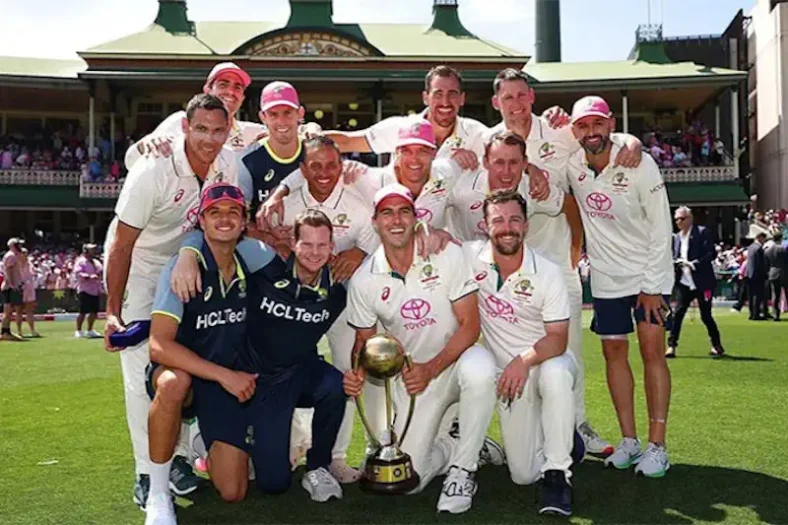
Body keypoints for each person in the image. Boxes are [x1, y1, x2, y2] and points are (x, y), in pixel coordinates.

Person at [487, 67, 650, 456]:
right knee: (506, 353)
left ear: (532, 97)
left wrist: (632, 140)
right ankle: (507, 433)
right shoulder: (487, 139)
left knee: (568, 353)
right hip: (507, 267)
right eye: (506, 98)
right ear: (496, 103)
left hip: (557, 263)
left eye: (521, 95)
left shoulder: (559, 132)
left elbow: (599, 137)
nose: (515, 104)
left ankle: (577, 427)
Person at [103, 93, 241, 509]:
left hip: (189, 266)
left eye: (219, 130)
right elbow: (122, 244)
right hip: (142, 269)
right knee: (143, 372)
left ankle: (176, 458)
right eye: (202, 129)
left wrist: (188, 256)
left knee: (181, 366)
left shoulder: (228, 163)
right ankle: (147, 472)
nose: (210, 139)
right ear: (185, 127)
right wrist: (112, 311)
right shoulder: (153, 169)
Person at [343, 184, 500, 514]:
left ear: (416, 218)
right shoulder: (364, 279)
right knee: (407, 481)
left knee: (481, 367)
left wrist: (432, 368)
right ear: (375, 221)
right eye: (387, 213)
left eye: (404, 211)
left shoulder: (447, 254)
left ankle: (463, 469)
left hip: (454, 364)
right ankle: (460, 443)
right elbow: (364, 344)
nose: (396, 220)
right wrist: (355, 375)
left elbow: (470, 325)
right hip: (412, 380)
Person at [566, 95, 674, 477]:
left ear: (610, 124)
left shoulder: (639, 162)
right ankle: (629, 441)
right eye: (584, 125)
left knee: (652, 353)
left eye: (598, 124)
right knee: (614, 354)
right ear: (574, 129)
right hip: (607, 279)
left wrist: (652, 285)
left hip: (648, 276)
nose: (591, 132)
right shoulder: (572, 164)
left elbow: (663, 226)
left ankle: (657, 446)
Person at [144, 183, 263, 525]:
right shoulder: (179, 268)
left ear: (244, 221)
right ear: (201, 221)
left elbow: (297, 257)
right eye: (215, 212)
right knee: (172, 382)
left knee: (233, 492)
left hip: (224, 380)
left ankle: (201, 444)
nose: (224, 220)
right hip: (193, 374)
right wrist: (223, 375)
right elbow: (159, 345)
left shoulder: (252, 257)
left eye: (233, 212)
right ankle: (158, 492)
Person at [462, 190, 579, 517]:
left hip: (545, 362)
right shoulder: (469, 258)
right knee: (523, 474)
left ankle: (558, 475)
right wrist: (429, 233)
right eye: (498, 220)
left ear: (526, 225)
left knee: (556, 374)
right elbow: (434, 246)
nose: (507, 227)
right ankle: (563, 435)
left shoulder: (548, 270)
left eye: (514, 219)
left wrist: (523, 360)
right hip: (511, 381)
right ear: (485, 226)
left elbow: (557, 339)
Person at [324, 65, 488, 170]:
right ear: (425, 97)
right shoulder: (402, 127)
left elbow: (509, 154)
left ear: (462, 98)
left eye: (452, 94)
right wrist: (305, 136)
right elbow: (347, 141)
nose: (445, 102)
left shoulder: (476, 133)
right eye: (438, 94)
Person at [125, 62, 264, 169]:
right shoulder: (180, 121)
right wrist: (144, 145)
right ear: (207, 90)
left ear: (242, 97)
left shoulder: (251, 132)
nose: (230, 92)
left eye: (237, 87)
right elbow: (130, 162)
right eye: (223, 85)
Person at [447, 130, 571, 243]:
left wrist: (576, 250)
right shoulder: (462, 184)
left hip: (508, 259)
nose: (507, 171)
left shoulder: (532, 187)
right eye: (499, 163)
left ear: (525, 163)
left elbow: (570, 205)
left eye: (513, 162)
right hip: (466, 259)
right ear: (485, 162)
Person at [666, 206, 725, 358]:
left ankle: (716, 345)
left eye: (682, 219)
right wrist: (676, 263)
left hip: (702, 281)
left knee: (706, 315)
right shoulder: (677, 237)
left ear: (690, 218)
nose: (679, 222)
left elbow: (710, 253)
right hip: (684, 282)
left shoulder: (701, 232)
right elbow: (674, 255)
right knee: (677, 314)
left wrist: (694, 264)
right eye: (677, 219)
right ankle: (671, 346)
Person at [74, 243, 103, 339]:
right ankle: (78, 330)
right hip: (84, 290)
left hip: (95, 289)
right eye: (92, 250)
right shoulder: (80, 262)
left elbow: (100, 271)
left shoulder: (96, 262)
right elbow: (78, 273)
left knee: (94, 311)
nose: (94, 252)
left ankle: (90, 330)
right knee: (82, 311)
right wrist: (89, 276)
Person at [1, 238, 25, 341]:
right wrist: (13, 285)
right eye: (18, 244)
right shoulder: (11, 256)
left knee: (9, 311)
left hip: (11, 286)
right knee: (7, 311)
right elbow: (8, 272)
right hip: (9, 287)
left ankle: (6, 331)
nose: (20, 246)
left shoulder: (13, 256)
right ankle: (4, 332)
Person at [765, 231, 787, 321]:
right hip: (785, 273)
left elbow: (766, 263)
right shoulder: (784, 249)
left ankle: (776, 315)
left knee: (775, 295)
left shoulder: (768, 250)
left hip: (773, 273)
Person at [746, 232, 768, 321]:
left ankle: (752, 313)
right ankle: (756, 314)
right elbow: (760, 264)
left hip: (750, 274)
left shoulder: (751, 247)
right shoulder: (759, 248)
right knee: (757, 295)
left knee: (751, 296)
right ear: (760, 238)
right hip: (757, 274)